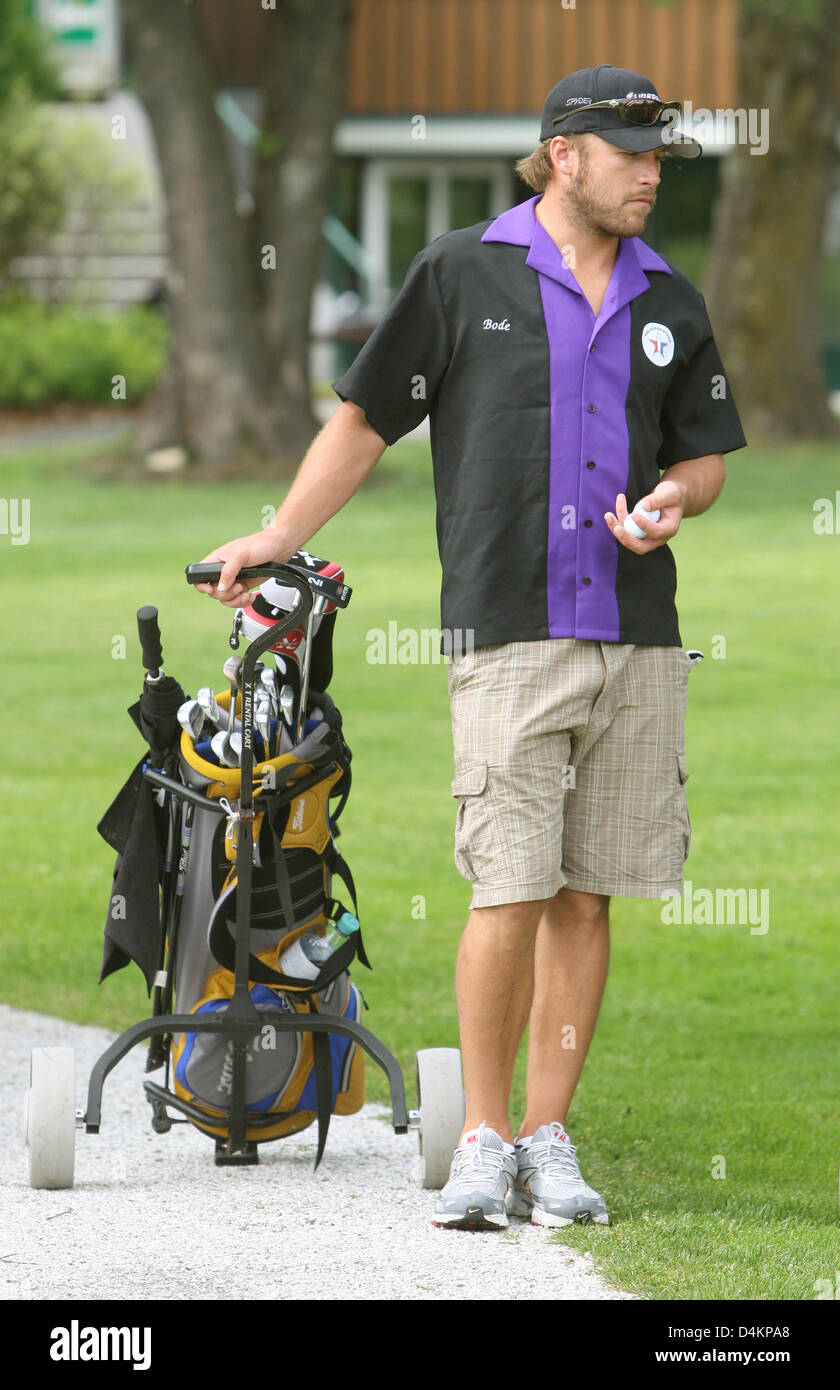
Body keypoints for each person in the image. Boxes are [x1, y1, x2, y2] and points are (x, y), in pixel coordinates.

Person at [194, 64, 747, 1232]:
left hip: (639, 640)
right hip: (509, 632)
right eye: (631, 150)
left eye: (662, 154)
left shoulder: (669, 298)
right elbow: (364, 419)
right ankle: (485, 1141)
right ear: (563, 152)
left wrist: (675, 500)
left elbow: (705, 451)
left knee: (589, 898)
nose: (652, 172)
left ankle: (550, 1136)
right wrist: (281, 533)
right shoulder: (462, 271)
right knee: (511, 886)